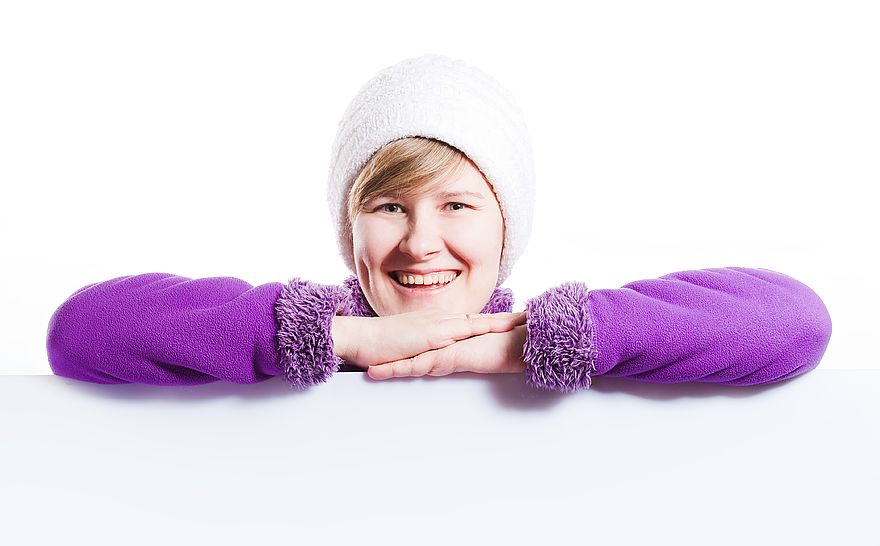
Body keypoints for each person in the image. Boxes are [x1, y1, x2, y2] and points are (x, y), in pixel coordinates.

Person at [45, 54, 832, 392]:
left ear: (504, 227)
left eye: (458, 204)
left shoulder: (562, 338)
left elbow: (795, 322)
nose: (421, 242)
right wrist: (339, 339)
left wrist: (536, 343)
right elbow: (79, 332)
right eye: (389, 205)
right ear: (348, 227)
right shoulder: (310, 338)